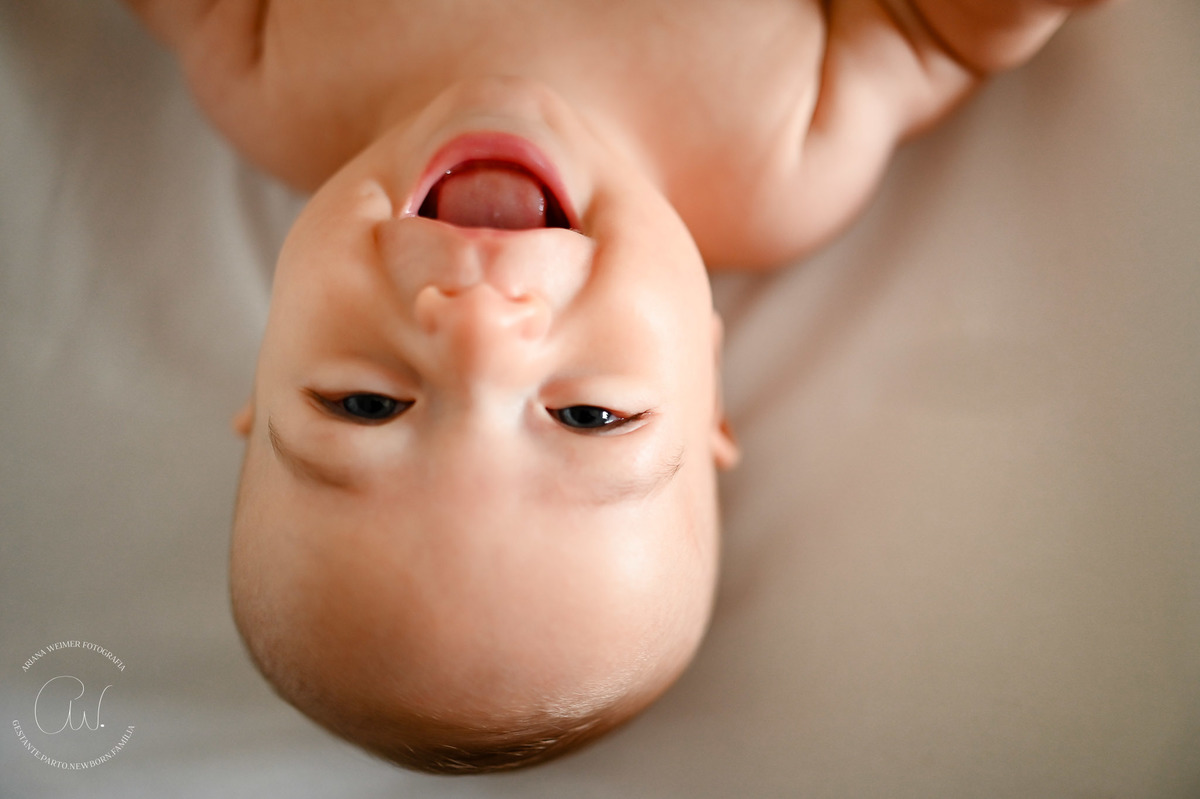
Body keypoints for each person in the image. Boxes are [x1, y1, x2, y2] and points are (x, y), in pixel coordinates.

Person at [123, 0, 1108, 774]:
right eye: (587, 415)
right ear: (706, 383)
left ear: (262, 367)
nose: (478, 332)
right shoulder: (779, 157)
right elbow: (931, 28)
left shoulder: (274, 78)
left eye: (366, 403)